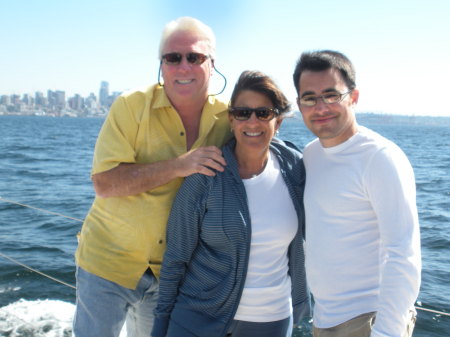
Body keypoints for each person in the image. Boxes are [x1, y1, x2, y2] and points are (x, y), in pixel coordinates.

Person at [73, 17, 232, 337]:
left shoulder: (228, 119)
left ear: (212, 64)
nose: (183, 66)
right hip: (108, 262)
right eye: (172, 58)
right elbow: (104, 183)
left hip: (172, 272)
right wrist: (179, 165)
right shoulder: (130, 106)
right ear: (161, 65)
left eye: (195, 57)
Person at [151, 70, 311, 337]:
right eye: (242, 113)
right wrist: (160, 326)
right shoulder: (205, 176)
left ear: (278, 122)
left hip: (271, 321)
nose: (252, 121)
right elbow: (176, 258)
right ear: (231, 119)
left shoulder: (295, 168)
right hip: (198, 318)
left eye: (264, 113)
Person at [292, 50, 421, 337]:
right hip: (324, 320)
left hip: (369, 320)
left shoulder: (380, 157)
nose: (321, 107)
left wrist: (386, 332)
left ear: (354, 96)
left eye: (331, 95)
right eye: (310, 98)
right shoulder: (311, 154)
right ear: (299, 105)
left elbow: (403, 252)